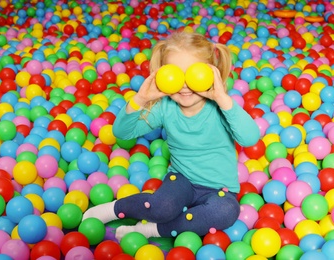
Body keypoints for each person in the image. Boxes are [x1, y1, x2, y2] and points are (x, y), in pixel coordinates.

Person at [83, 31, 260, 241]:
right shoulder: (166, 107)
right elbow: (122, 132)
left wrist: (222, 98)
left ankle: (152, 230)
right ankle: (115, 209)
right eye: (175, 76)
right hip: (181, 180)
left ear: (210, 74)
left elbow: (250, 138)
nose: (185, 86)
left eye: (193, 75)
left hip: (220, 190)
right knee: (163, 207)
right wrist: (140, 99)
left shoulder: (221, 108)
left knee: (226, 212)